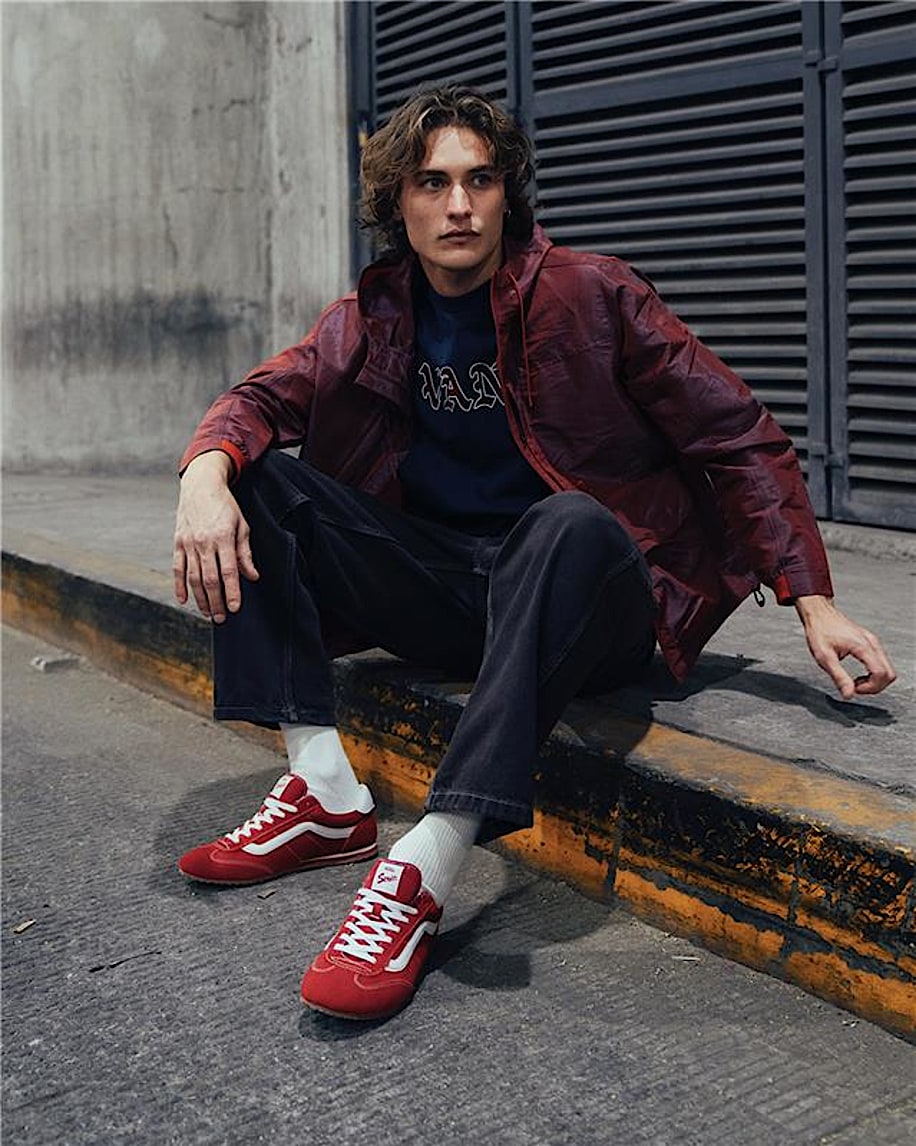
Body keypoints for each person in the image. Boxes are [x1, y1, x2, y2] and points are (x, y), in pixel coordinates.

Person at [172, 85, 895, 1021]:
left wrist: (811, 598)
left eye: (480, 181)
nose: (459, 206)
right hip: (459, 594)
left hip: (593, 602)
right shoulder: (370, 316)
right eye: (432, 183)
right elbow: (259, 400)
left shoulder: (594, 293)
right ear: (398, 204)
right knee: (251, 478)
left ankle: (427, 858)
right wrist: (204, 476)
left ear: (507, 194)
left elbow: (738, 435)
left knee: (568, 520)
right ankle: (323, 793)